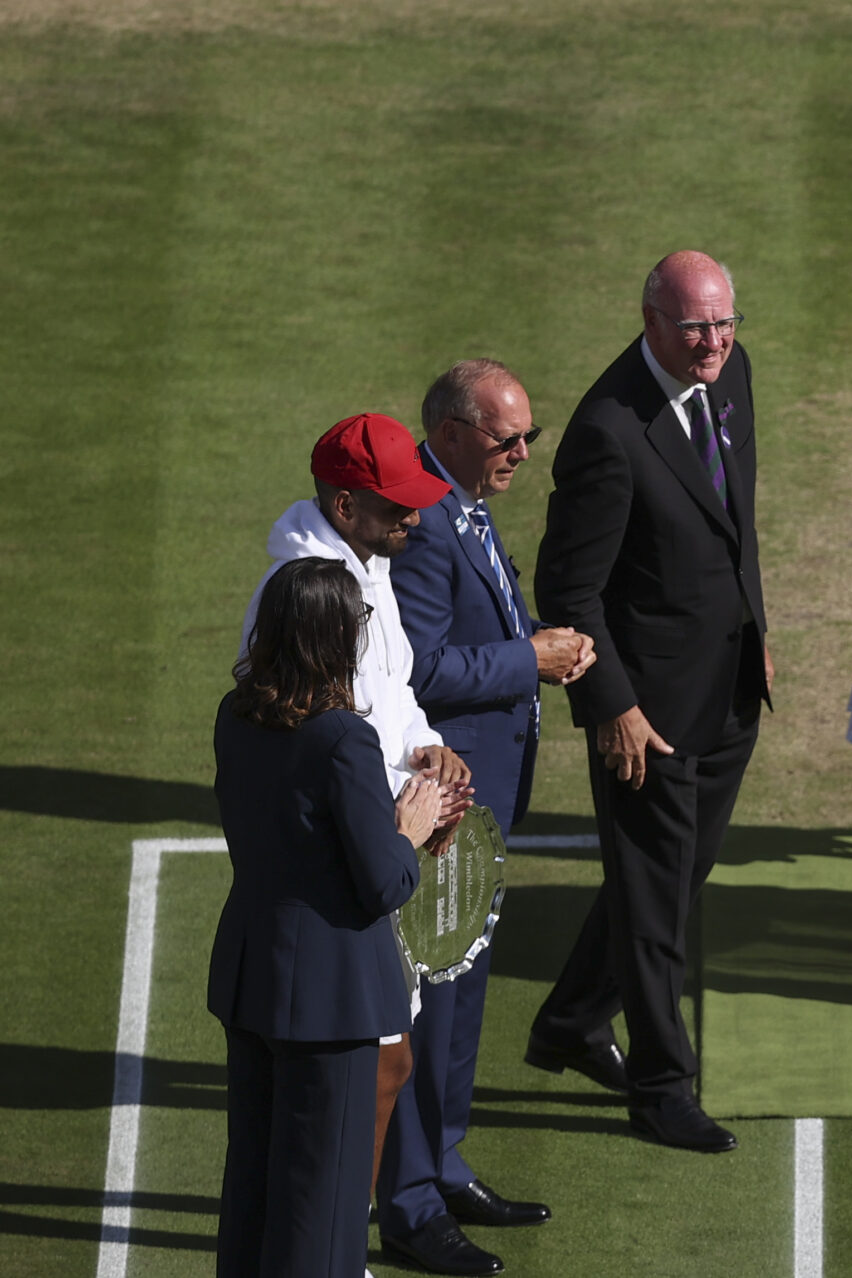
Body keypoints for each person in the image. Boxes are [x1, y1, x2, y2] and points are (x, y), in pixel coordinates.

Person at [527, 250, 771, 1154]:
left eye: (725, 323)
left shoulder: (733, 370)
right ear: (651, 322)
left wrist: (757, 627)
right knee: (660, 904)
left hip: (731, 688)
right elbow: (571, 589)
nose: (714, 344)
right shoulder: (607, 431)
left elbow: (733, 518)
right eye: (696, 328)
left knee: (663, 885)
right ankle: (662, 1087)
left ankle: (569, 1024)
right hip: (650, 718)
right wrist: (612, 707)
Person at [238, 410, 474, 1261]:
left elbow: (393, 695)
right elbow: (316, 734)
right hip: (349, 878)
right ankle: (334, 1248)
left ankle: (338, 1240)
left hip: (370, 843)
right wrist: (403, 823)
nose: (413, 520)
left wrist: (427, 749)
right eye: (394, 506)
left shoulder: (366, 568)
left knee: (389, 1064)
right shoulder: (304, 595)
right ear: (344, 505)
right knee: (358, 1082)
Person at [382, 362, 595, 1274]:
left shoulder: (463, 498)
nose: (521, 454)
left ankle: (447, 1161)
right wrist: (528, 659)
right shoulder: (426, 522)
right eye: (506, 438)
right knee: (432, 993)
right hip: (451, 800)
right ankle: (411, 1201)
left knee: (463, 984)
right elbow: (423, 670)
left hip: (487, 799)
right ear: (451, 428)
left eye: (528, 438)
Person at [210, 556, 439, 1278]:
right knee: (322, 1206)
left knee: (253, 1188)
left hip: (253, 974)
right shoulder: (342, 739)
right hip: (330, 1000)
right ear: (334, 636)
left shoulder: (235, 713)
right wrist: (412, 827)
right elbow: (384, 883)